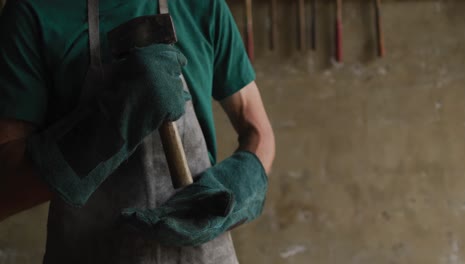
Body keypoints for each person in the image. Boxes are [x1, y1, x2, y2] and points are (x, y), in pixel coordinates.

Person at [0, 0, 275, 263]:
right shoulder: (33, 11)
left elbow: (258, 130)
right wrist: (110, 123)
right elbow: (7, 189)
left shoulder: (202, 4)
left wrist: (237, 189)